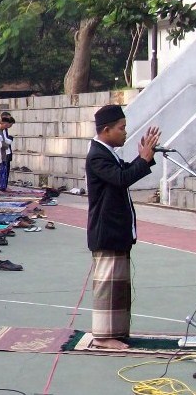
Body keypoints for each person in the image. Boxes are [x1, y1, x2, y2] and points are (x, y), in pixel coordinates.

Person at [86, 104, 160, 350]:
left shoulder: (107, 153)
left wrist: (143, 159)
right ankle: (103, 336)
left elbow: (124, 172)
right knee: (108, 285)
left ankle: (115, 333)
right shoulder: (97, 155)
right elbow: (121, 179)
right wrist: (143, 160)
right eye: (121, 128)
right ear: (106, 130)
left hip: (116, 230)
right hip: (106, 230)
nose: (125, 132)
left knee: (118, 286)